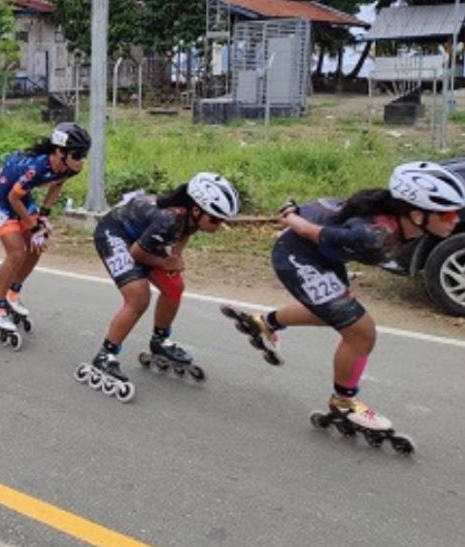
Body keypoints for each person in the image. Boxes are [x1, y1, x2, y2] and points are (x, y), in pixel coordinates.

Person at [222, 161, 465, 443]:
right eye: (447, 213)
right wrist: (290, 214)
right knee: (361, 331)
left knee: (332, 313)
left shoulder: (396, 222)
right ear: (417, 214)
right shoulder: (375, 235)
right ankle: (344, 403)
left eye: (456, 212)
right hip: (297, 254)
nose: (455, 220)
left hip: (326, 257)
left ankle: (264, 322)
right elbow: (311, 232)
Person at [81, 173, 241, 401]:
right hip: (115, 235)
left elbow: (183, 236)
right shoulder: (168, 217)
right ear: (196, 210)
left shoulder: (190, 217)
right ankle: (105, 356)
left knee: (175, 287)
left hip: (142, 240)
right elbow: (137, 254)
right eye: (215, 219)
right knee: (138, 297)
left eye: (223, 220)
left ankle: (160, 341)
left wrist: (174, 258)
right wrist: (166, 262)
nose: (219, 225)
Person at [0, 122, 89, 348]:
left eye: (84, 154)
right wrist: (32, 225)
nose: (82, 160)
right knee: (16, 252)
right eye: (78, 154)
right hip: (1, 197)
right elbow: (12, 198)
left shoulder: (72, 166)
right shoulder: (37, 167)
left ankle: (13, 294)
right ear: (59, 152)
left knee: (37, 245)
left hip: (22, 197)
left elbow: (56, 186)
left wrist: (44, 215)